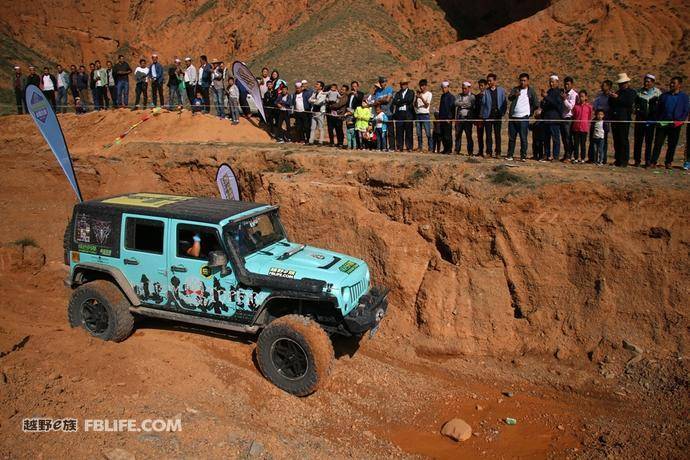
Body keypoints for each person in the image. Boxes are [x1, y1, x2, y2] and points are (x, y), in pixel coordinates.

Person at [651, 76, 689, 168]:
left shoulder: (684, 97)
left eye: (674, 83)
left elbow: (686, 110)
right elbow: (658, 109)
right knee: (658, 143)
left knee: (672, 144)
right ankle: (653, 162)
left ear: (679, 85)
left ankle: (668, 162)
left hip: (675, 124)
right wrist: (658, 120)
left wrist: (681, 121)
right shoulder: (664, 96)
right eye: (671, 82)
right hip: (663, 123)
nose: (671, 84)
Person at [507, 73, 538, 160]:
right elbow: (509, 98)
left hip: (524, 118)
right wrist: (515, 95)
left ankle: (523, 156)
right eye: (521, 80)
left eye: (524, 81)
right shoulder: (515, 89)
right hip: (513, 117)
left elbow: (536, 103)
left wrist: (529, 112)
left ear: (528, 81)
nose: (522, 82)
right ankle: (510, 155)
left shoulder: (531, 91)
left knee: (523, 138)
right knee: (512, 138)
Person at [609, 72, 637, 166]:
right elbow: (611, 104)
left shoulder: (631, 92)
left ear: (627, 83)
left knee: (623, 140)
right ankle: (618, 159)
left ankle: (624, 160)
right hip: (615, 118)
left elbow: (628, 103)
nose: (621, 85)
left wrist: (617, 98)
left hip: (624, 118)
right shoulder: (618, 92)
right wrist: (612, 97)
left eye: (623, 83)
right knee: (616, 140)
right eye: (620, 84)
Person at [633, 74, 661, 167]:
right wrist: (637, 110)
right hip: (640, 120)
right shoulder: (639, 92)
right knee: (638, 141)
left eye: (648, 81)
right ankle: (637, 160)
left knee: (649, 141)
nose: (646, 83)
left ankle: (647, 160)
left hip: (651, 120)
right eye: (645, 81)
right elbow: (634, 105)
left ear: (653, 82)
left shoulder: (658, 93)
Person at [479, 73, 507, 157]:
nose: (489, 82)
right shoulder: (486, 91)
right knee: (488, 135)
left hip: (497, 115)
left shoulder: (501, 90)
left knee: (497, 135)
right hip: (488, 115)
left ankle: (498, 152)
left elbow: (504, 103)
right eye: (488, 81)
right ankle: (489, 152)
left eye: (490, 81)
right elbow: (483, 104)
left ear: (495, 81)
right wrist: (482, 96)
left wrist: (502, 112)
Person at [540, 75, 565, 161]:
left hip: (555, 118)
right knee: (546, 138)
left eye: (553, 82)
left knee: (555, 139)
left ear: (557, 82)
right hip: (547, 118)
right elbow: (545, 104)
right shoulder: (549, 91)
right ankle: (546, 154)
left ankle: (555, 156)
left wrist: (546, 97)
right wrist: (543, 101)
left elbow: (557, 104)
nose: (551, 84)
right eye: (550, 82)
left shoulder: (559, 92)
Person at [589, 80, 613, 163]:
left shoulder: (611, 96)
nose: (602, 86)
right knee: (593, 138)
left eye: (604, 85)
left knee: (603, 139)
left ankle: (603, 159)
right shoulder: (599, 95)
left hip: (605, 119)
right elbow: (595, 104)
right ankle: (593, 158)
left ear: (609, 87)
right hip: (597, 117)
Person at [392, 78, 415, 151]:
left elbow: (409, 100)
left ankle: (409, 147)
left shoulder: (411, 92)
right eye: (402, 84)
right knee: (399, 131)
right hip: (399, 114)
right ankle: (399, 147)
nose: (403, 85)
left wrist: (400, 101)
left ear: (407, 84)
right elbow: (395, 102)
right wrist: (402, 102)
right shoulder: (398, 93)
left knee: (409, 131)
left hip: (408, 113)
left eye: (404, 84)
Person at [571, 90, 593, 163]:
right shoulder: (576, 107)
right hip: (576, 128)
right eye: (580, 96)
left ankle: (583, 158)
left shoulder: (589, 107)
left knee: (583, 144)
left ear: (586, 97)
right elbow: (574, 116)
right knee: (576, 144)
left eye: (582, 96)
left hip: (584, 128)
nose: (581, 98)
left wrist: (586, 125)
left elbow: (589, 117)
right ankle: (576, 158)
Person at [454, 81, 475, 155]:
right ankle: (457, 150)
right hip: (460, 118)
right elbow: (456, 103)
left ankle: (470, 151)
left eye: (465, 88)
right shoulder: (459, 95)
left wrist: (461, 104)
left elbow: (471, 105)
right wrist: (464, 104)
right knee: (458, 135)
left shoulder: (472, 96)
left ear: (469, 88)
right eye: (463, 88)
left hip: (468, 119)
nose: (464, 90)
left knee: (468, 135)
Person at [373, 76, 394, 150]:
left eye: (384, 82)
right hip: (380, 114)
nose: (382, 84)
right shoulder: (378, 91)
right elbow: (375, 102)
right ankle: (383, 147)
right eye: (381, 82)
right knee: (382, 132)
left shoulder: (389, 89)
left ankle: (392, 147)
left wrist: (380, 100)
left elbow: (388, 100)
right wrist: (383, 99)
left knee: (390, 132)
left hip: (389, 113)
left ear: (386, 82)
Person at [560, 76, 578, 160]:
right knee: (564, 137)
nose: (566, 86)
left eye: (568, 84)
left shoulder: (574, 94)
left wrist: (564, 99)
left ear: (571, 84)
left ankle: (569, 154)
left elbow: (571, 107)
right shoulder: (563, 92)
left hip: (569, 118)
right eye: (565, 84)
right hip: (562, 117)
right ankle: (566, 153)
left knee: (568, 137)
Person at [414, 79, 433, 152]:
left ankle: (430, 148)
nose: (422, 87)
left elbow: (426, 105)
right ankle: (420, 147)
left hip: (425, 115)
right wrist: (416, 97)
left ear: (426, 86)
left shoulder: (429, 94)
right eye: (421, 86)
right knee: (419, 133)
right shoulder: (418, 94)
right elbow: (415, 105)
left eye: (423, 86)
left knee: (428, 133)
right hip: (418, 114)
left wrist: (421, 97)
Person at [438, 81, 455, 154]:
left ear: (448, 87)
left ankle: (449, 149)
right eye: (442, 88)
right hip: (442, 118)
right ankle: (445, 148)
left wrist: (450, 118)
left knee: (448, 135)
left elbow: (452, 109)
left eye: (445, 88)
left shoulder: (451, 97)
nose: (443, 89)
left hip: (448, 119)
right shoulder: (442, 96)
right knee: (442, 134)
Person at [474, 79, 487, 156]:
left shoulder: (488, 95)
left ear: (485, 86)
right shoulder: (477, 96)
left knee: (488, 136)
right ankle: (481, 151)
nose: (480, 87)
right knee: (479, 136)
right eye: (480, 86)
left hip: (487, 118)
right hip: (479, 118)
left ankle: (489, 152)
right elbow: (476, 108)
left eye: (482, 85)